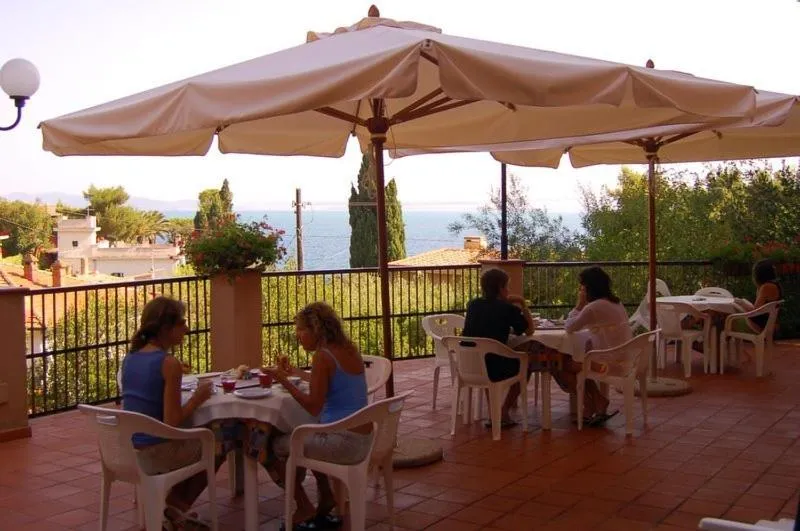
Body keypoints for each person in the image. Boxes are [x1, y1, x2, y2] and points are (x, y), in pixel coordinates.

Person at [262, 302, 370, 530]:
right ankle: (326, 494)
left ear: (316, 329)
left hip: (342, 441)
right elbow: (329, 384)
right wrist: (294, 373)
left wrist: (281, 380)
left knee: (270, 445)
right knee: (307, 433)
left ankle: (303, 506)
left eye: (301, 330)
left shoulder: (322, 357)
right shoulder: (347, 348)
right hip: (362, 437)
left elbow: (313, 406)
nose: (298, 336)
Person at [122, 296, 221, 530]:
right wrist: (198, 398)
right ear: (166, 328)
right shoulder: (168, 363)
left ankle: (174, 512)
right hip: (156, 452)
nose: (187, 328)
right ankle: (176, 507)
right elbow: (172, 421)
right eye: (182, 323)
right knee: (219, 441)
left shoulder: (130, 358)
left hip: (129, 450)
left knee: (204, 437)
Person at [558, 266, 632, 426]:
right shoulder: (615, 302)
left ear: (588, 287)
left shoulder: (594, 307)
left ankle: (591, 404)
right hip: (624, 358)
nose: (580, 289)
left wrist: (579, 305)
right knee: (575, 363)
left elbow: (570, 326)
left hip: (609, 364)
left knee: (562, 365)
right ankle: (598, 401)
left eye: (582, 286)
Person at [462, 268, 535, 427]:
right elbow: (529, 330)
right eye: (507, 287)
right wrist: (522, 304)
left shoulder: (473, 305)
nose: (508, 290)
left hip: (468, 366)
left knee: (489, 358)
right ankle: (503, 411)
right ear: (501, 288)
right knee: (527, 365)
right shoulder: (508, 309)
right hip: (493, 369)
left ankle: (493, 412)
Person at [734, 259, 783, 333]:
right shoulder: (774, 285)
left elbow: (756, 311)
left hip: (763, 326)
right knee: (736, 307)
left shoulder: (766, 287)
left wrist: (741, 303)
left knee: (732, 314)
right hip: (769, 323)